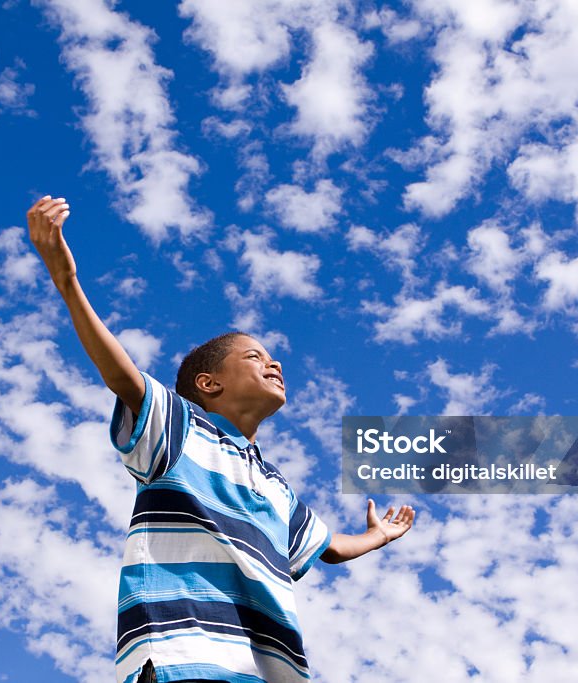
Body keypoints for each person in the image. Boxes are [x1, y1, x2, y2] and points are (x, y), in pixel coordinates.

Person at [27, 196, 415, 683]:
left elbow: (326, 547)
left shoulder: (275, 486)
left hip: (267, 671)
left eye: (272, 357)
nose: (273, 363)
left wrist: (377, 536)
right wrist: (67, 282)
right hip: (183, 657)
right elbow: (122, 376)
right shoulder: (182, 429)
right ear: (209, 384)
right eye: (254, 356)